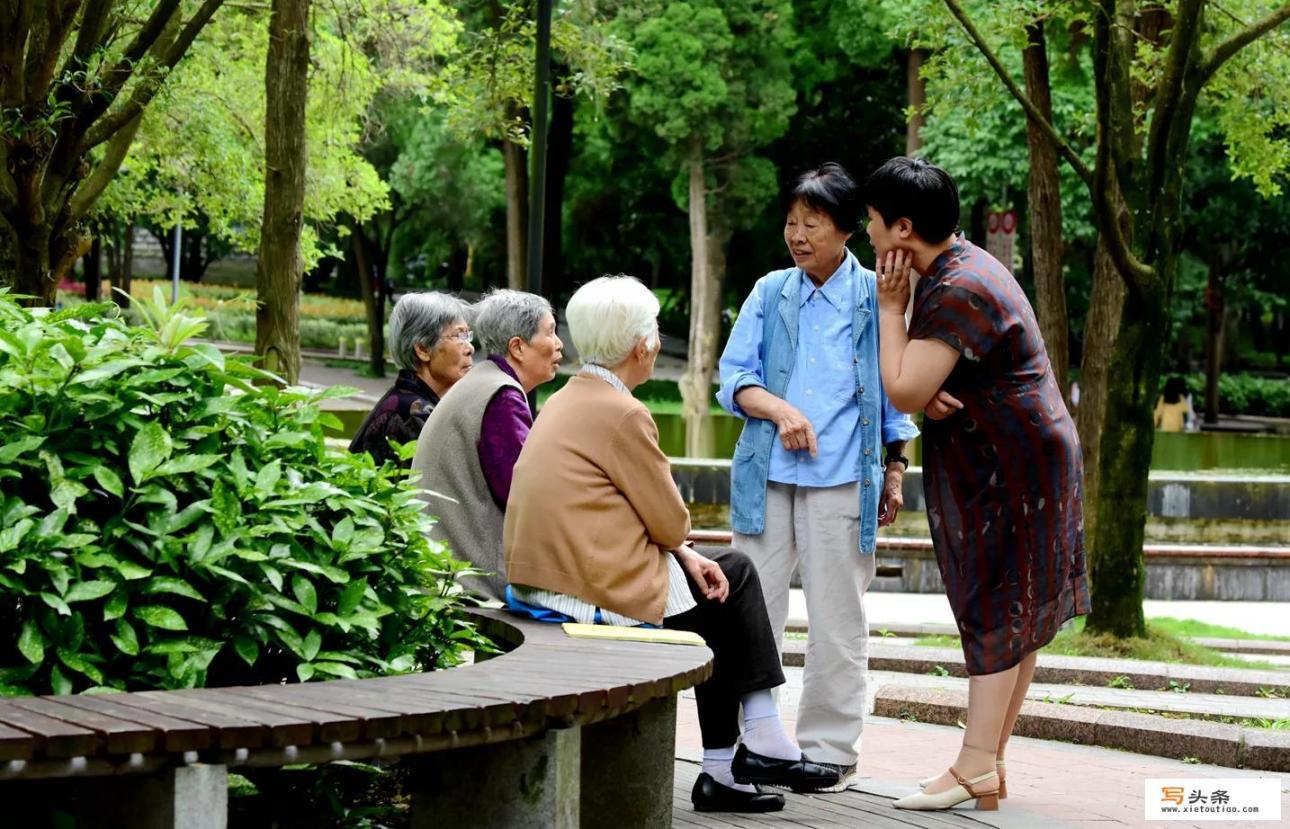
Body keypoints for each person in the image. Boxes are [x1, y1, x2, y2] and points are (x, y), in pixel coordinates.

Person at [505, 275, 841, 813]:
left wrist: (684, 551)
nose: (658, 339)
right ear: (642, 346)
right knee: (734, 581)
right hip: (581, 596)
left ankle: (738, 757)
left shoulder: (570, 397)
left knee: (723, 577)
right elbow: (669, 518)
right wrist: (681, 544)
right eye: (655, 330)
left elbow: (650, 525)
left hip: (546, 584)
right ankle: (750, 746)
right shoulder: (623, 413)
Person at [867, 156, 1089, 812]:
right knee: (1014, 607)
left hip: (1011, 463)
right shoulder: (962, 264)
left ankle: (973, 765)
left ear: (902, 228)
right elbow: (938, 373)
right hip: (1027, 451)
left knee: (997, 603)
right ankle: (986, 761)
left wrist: (889, 306)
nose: (869, 235)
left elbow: (902, 385)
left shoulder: (955, 285)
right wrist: (936, 382)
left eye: (873, 223)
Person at [715, 163, 920, 791]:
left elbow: (895, 389)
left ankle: (829, 749)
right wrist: (778, 410)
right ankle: (756, 742)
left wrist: (895, 469)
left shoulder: (875, 297)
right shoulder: (770, 291)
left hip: (841, 481)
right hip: (767, 478)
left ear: (846, 231)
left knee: (838, 619)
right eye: (791, 223)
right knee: (753, 613)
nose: (797, 235)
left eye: (812, 224)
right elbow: (732, 378)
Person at [410, 289, 563, 599]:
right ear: (518, 347)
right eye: (551, 332)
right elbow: (526, 496)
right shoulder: (502, 396)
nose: (559, 343)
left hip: (441, 571)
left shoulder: (483, 380)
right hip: (467, 586)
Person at [349, 292, 474, 467]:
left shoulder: (405, 400)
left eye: (468, 335)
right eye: (458, 336)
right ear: (423, 349)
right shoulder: (414, 414)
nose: (470, 348)